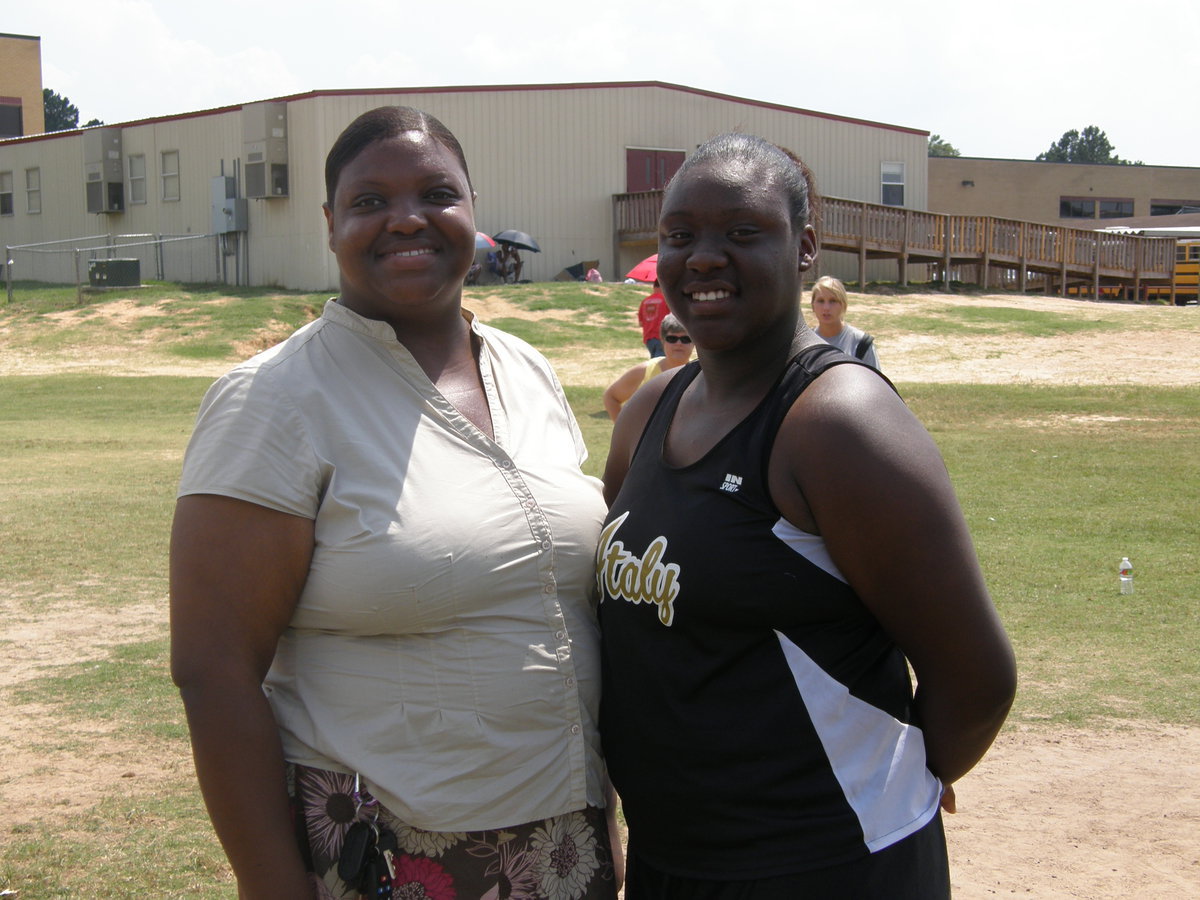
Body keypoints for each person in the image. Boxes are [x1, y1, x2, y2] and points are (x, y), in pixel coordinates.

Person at [170, 106, 620, 900]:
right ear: (330, 223)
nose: (407, 218)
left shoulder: (527, 371)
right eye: (370, 200)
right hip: (387, 857)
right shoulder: (273, 400)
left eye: (436, 193)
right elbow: (214, 670)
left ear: (474, 210)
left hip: (567, 845)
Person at [598, 133, 1015, 898]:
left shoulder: (836, 422)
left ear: (805, 247)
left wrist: (904, 775)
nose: (704, 257)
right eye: (680, 236)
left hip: (823, 864)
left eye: (742, 231)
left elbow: (978, 677)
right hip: (673, 860)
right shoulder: (653, 407)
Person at [602, 314, 693, 422]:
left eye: (685, 339)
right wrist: (625, 435)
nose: (679, 343)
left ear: (695, 342)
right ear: (662, 340)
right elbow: (611, 397)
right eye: (672, 338)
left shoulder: (702, 374)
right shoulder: (644, 372)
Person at [810, 274, 880, 369]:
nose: (826, 308)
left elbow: (875, 382)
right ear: (813, 305)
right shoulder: (806, 343)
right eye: (821, 301)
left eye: (833, 301)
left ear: (843, 305)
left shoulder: (861, 344)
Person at [636, 281, 668, 357]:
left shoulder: (645, 301)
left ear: (653, 287)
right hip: (662, 336)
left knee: (654, 360)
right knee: (661, 363)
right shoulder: (666, 300)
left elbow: (641, 323)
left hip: (648, 338)